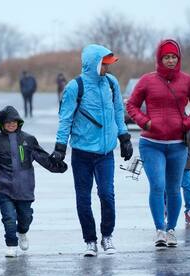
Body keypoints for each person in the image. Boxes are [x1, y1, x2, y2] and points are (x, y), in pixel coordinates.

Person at [50, 44, 133, 257]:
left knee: (107, 194)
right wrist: (60, 147)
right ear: (93, 64)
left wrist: (124, 137)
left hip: (105, 154)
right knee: (83, 198)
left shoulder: (112, 84)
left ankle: (107, 236)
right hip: (82, 154)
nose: (107, 68)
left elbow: (118, 111)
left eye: (108, 64)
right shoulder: (74, 87)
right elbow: (65, 119)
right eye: (104, 64)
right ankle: (90, 241)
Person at [126, 39, 190, 248]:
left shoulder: (188, 81)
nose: (170, 60)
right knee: (157, 185)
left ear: (178, 59)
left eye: (174, 57)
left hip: (178, 145)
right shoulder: (146, 80)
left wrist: (186, 123)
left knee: (173, 189)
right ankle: (159, 230)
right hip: (151, 143)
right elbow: (132, 105)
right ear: (159, 59)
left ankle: (171, 230)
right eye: (166, 57)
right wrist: (145, 121)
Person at [0, 105, 67, 257]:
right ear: (1, 124)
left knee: (25, 217)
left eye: (14, 122)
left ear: (19, 122)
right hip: (4, 187)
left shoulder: (28, 139)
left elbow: (42, 157)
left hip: (25, 187)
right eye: (7, 122)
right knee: (8, 217)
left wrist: (57, 165)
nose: (11, 124)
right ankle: (11, 245)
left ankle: (22, 232)